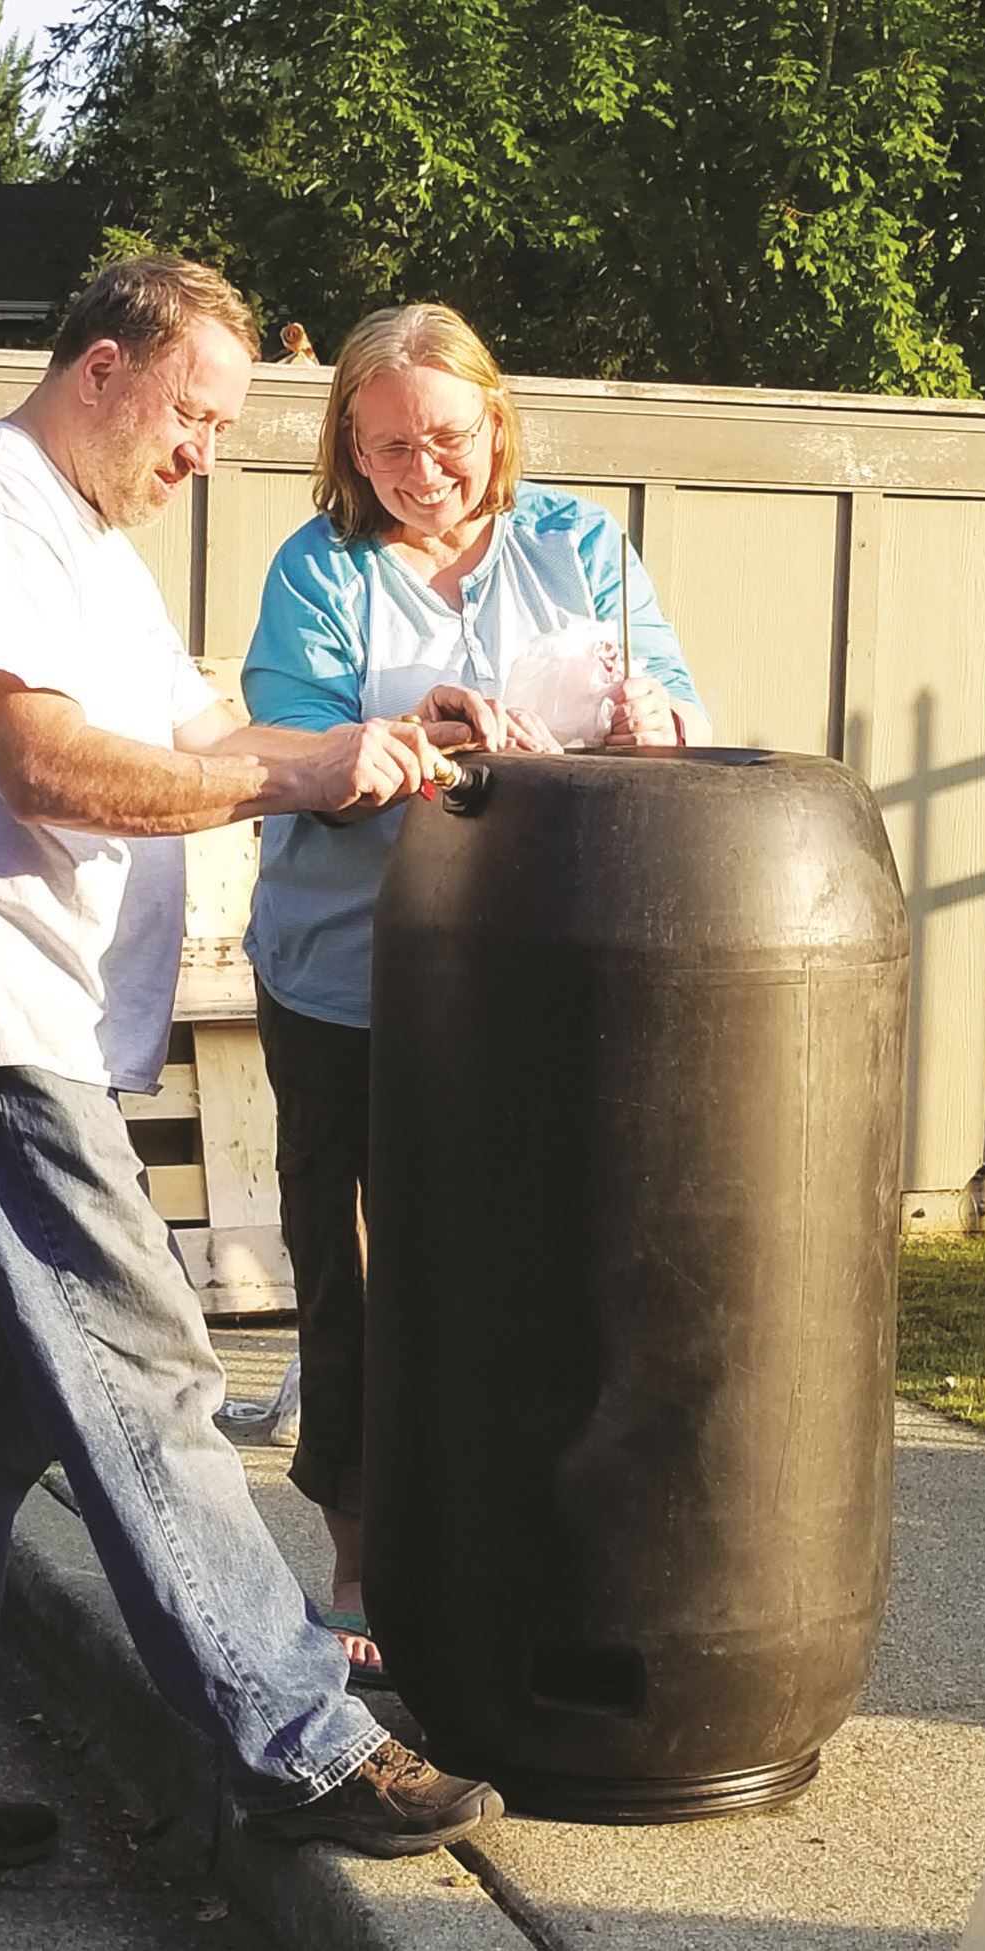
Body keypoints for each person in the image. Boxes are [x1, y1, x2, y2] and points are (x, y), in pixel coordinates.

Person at [0, 258, 506, 1882]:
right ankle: (299, 1745)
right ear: (104, 369)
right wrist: (293, 784)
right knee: (147, 1381)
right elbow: (41, 761)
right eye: (194, 413)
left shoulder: (91, 550)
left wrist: (379, 742)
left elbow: (201, 732)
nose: (206, 449)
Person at [242, 302, 710, 1684]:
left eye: (444, 435)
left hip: (542, 985)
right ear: (349, 446)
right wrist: (398, 735)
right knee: (361, 1282)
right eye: (385, 446)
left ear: (495, 423)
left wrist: (650, 725)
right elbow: (285, 750)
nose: (419, 468)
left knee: (540, 1274)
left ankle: (522, 1545)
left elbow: (685, 712)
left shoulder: (578, 546)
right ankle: (361, 1570)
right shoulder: (318, 570)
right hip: (354, 980)